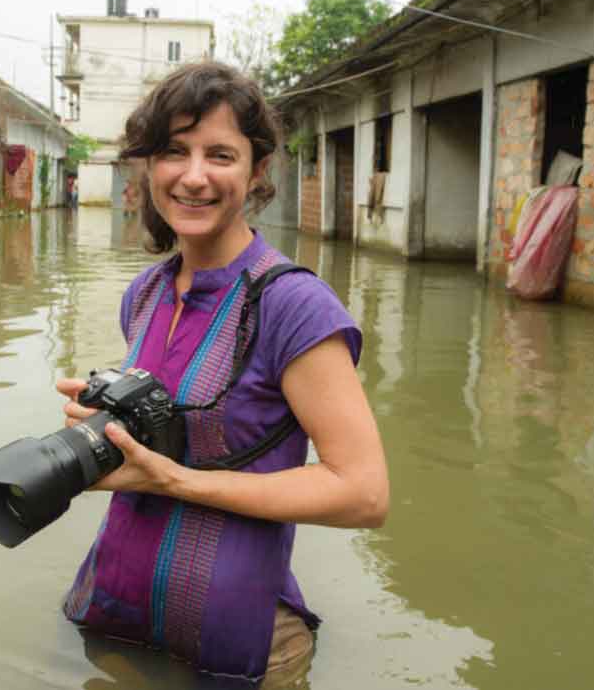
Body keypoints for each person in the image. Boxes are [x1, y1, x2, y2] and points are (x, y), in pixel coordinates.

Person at [56, 63, 389, 682]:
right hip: (112, 614)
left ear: (256, 171)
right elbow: (164, 439)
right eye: (174, 152)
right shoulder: (146, 293)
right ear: (149, 166)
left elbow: (364, 494)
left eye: (220, 154)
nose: (194, 176)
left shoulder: (293, 305)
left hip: (242, 643)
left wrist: (176, 481)